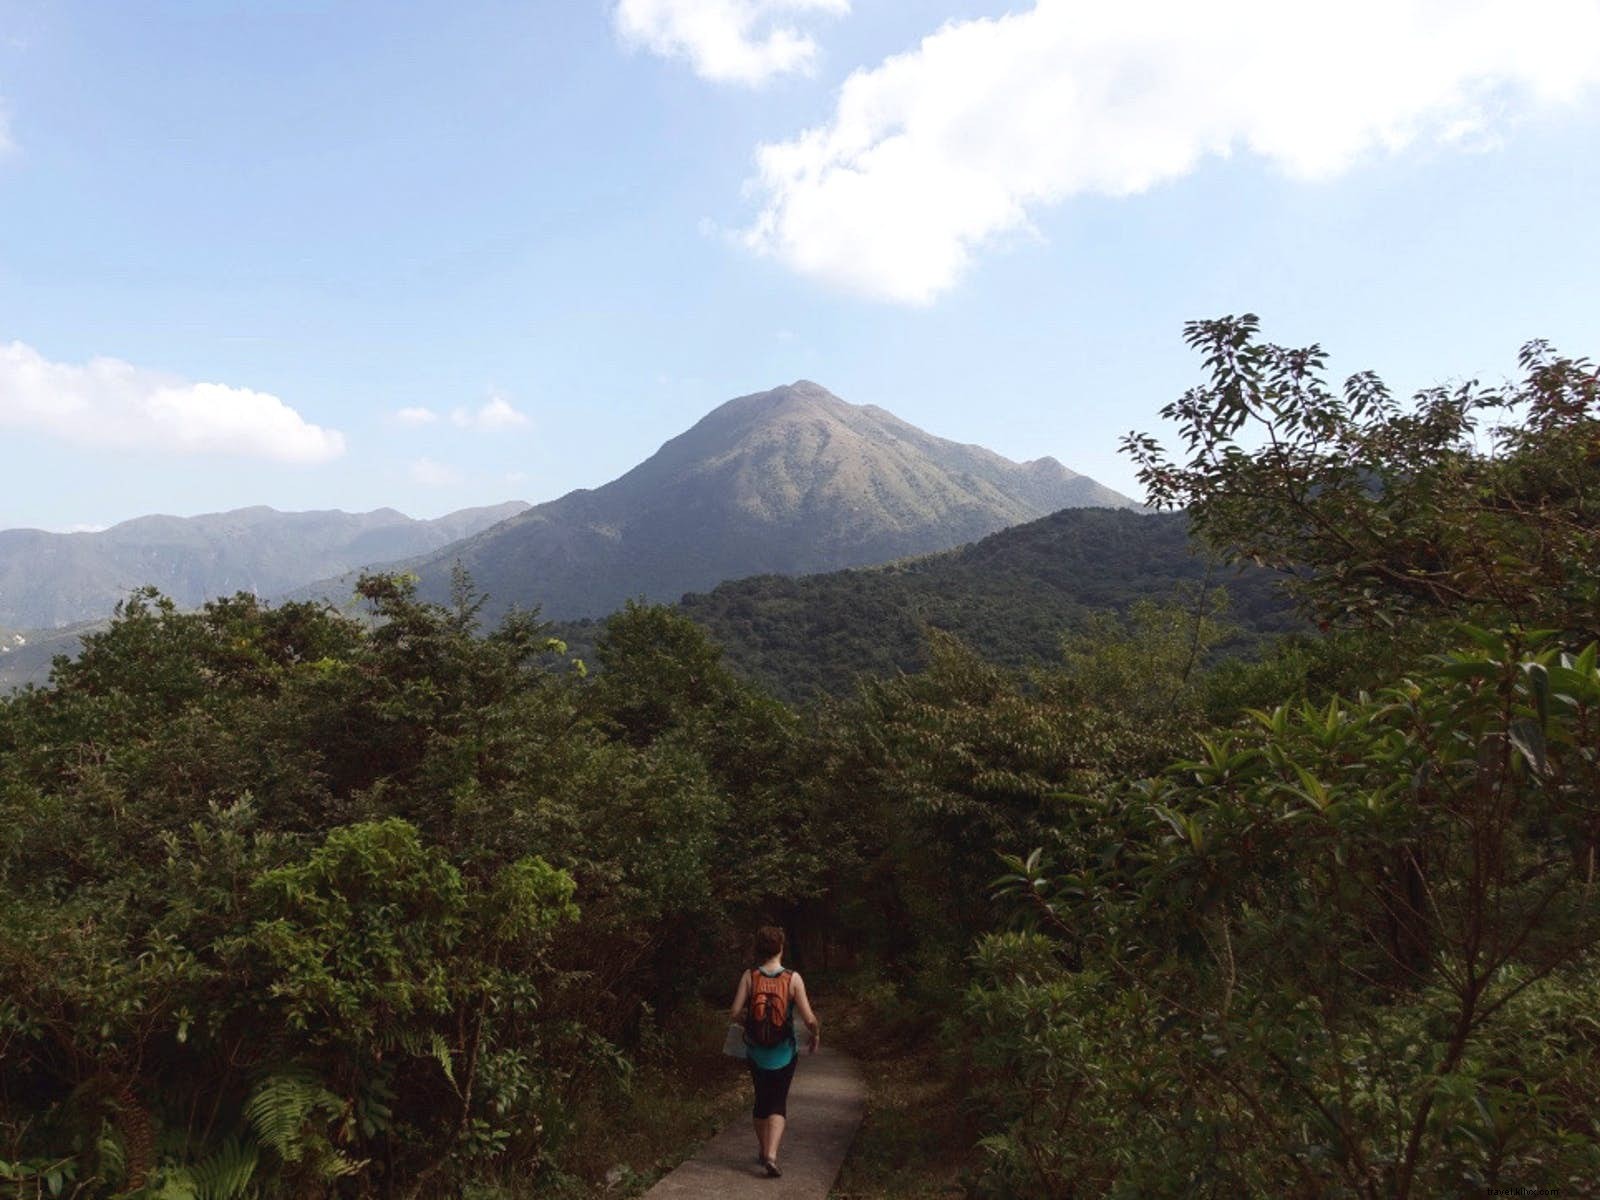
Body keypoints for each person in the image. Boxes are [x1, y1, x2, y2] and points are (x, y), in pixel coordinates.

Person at [728, 924, 820, 1179]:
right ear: (781, 948)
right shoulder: (793, 978)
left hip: (756, 1051)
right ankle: (771, 1156)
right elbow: (809, 1019)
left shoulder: (750, 976)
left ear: (758, 949)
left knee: (761, 1100)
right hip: (784, 1052)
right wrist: (815, 1034)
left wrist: (750, 1020)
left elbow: (734, 1012)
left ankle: (762, 1149)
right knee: (778, 1101)